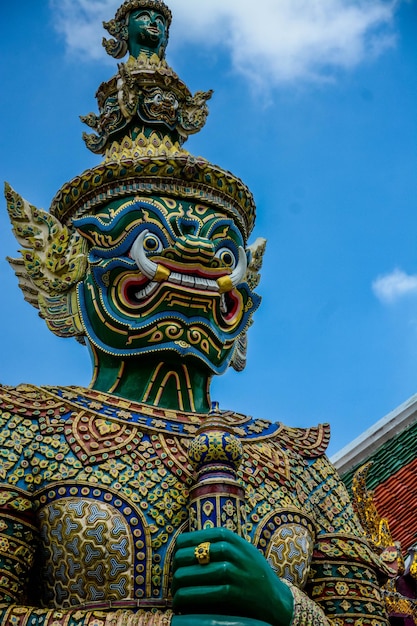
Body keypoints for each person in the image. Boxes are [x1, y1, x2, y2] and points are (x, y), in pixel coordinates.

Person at [1, 2, 391, 625]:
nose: (194, 254)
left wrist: (285, 605)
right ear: (68, 272)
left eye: (215, 240)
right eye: (147, 232)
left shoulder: (299, 464)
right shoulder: (23, 435)